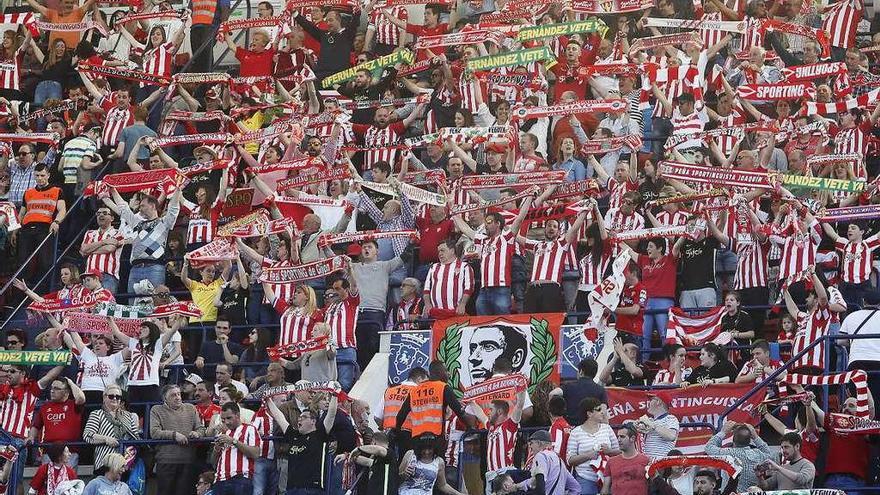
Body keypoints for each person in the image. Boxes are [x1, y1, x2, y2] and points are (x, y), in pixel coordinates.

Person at [265, 383, 339, 495]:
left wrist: (335, 394)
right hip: (292, 488)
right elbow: (279, 417)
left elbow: (331, 414)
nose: (299, 420)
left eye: (303, 418)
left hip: (312, 489)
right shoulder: (293, 435)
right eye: (299, 418)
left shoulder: (320, 434)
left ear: (313, 421)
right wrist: (268, 400)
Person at [150, 384, 206, 495]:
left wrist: (197, 434)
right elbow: (154, 432)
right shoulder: (156, 410)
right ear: (165, 398)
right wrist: (174, 435)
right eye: (173, 395)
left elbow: (201, 428)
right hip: (166, 461)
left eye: (179, 394)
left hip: (188, 461)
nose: (178, 397)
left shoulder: (191, 408)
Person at [566, 398, 619, 495]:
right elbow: (570, 460)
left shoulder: (607, 428)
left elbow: (620, 452)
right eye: (598, 410)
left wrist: (609, 451)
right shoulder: (575, 433)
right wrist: (588, 455)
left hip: (608, 477)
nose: (602, 412)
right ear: (589, 414)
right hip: (585, 478)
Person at [29, 377, 85, 468]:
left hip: (70, 451)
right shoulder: (45, 407)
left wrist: (70, 383)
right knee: (49, 480)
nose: (52, 391)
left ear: (67, 392)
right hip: (49, 451)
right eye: (52, 388)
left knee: (68, 481)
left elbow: (81, 398)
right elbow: (36, 426)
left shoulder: (73, 405)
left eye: (57, 388)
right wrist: (31, 437)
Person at [84, 385, 140, 469]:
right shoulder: (97, 414)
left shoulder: (128, 416)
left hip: (126, 462)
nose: (114, 399)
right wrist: (106, 439)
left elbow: (136, 437)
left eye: (118, 397)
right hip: (105, 461)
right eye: (111, 396)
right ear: (104, 398)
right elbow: (88, 435)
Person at [212, 402, 263, 495]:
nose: (226, 422)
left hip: (240, 478)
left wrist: (234, 441)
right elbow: (213, 462)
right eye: (223, 420)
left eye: (229, 418)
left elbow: (255, 454)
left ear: (238, 415)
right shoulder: (222, 433)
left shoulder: (250, 429)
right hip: (219, 480)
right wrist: (216, 448)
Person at [704, 421, 771, 490]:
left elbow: (708, 448)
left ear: (733, 440)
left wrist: (723, 432)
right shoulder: (758, 454)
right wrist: (755, 436)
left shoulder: (728, 454)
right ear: (750, 440)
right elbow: (769, 454)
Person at [398, 434, 466, 495]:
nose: (426, 452)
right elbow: (395, 478)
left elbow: (442, 485)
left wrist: (458, 494)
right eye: (423, 449)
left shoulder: (439, 462)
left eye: (429, 449)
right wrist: (404, 475)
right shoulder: (410, 454)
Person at [550, 358, 607, 425]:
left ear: (581, 371)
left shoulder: (568, 386)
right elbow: (603, 414)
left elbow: (552, 393)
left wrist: (553, 417)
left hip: (570, 428)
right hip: (591, 429)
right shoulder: (601, 390)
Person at [601, 425, 650, 495]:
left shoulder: (646, 460)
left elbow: (654, 486)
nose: (618, 440)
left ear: (632, 438)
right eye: (618, 436)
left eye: (622, 437)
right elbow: (605, 490)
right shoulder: (611, 462)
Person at [633, 394, 679, 459]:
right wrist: (634, 426)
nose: (649, 402)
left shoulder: (671, 418)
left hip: (661, 463)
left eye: (651, 400)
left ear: (658, 402)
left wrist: (652, 425)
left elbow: (671, 436)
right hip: (648, 464)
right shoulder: (650, 420)